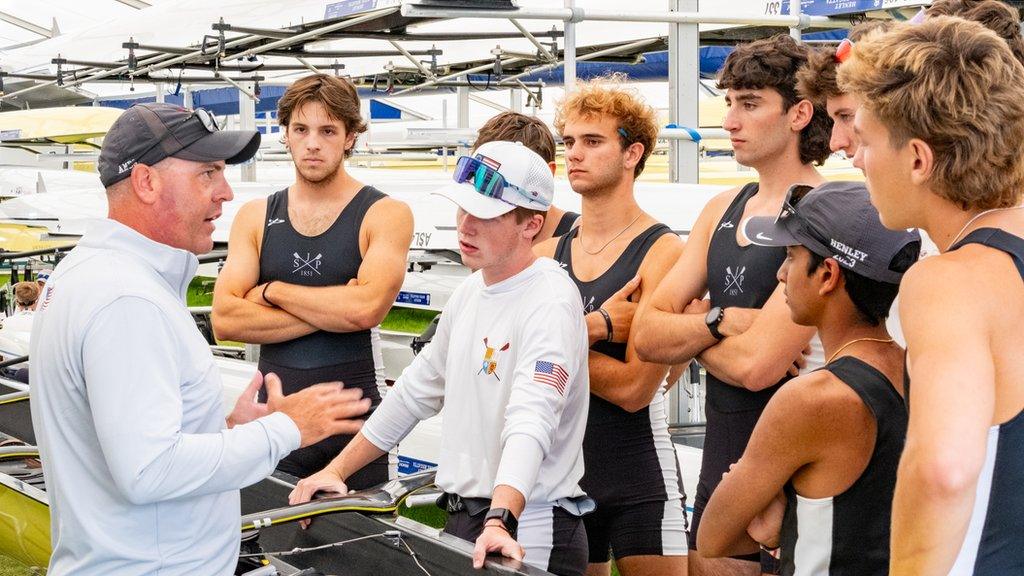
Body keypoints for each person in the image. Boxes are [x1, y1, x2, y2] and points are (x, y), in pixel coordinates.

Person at [29, 102, 372, 576]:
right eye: (208, 173)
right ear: (146, 182)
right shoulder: (128, 300)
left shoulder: (96, 275)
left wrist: (230, 430)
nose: (226, 192)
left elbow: (130, 440)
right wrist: (285, 429)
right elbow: (148, 470)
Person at [290, 141, 592, 576]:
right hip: (470, 521)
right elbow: (414, 393)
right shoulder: (471, 290)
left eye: (485, 216)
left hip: (527, 528)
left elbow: (533, 418)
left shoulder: (550, 300)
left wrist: (501, 518)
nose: (465, 226)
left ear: (532, 225)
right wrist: (335, 471)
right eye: (462, 211)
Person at [633, 33, 833, 576]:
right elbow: (646, 336)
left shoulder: (823, 215)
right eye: (729, 103)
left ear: (800, 114)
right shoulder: (721, 206)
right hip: (724, 448)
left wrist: (696, 325)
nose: (730, 121)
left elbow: (757, 368)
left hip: (792, 461)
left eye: (749, 104)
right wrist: (722, 321)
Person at [838, 16, 1024, 575]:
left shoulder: (952, 280)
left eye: (865, 140)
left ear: (918, 159)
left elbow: (944, 469)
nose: (855, 158)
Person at [696, 182, 920, 575]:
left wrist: (782, 526)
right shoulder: (922, 373)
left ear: (828, 275)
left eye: (791, 256)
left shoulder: (811, 399)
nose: (781, 273)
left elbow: (713, 536)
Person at [212, 74, 413, 483]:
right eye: (300, 130)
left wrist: (272, 291)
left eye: (327, 131)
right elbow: (226, 320)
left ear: (350, 137)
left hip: (353, 429)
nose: (313, 143)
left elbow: (366, 311)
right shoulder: (256, 216)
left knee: (359, 547)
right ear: (285, 134)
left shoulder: (386, 213)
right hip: (274, 421)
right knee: (263, 543)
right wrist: (336, 307)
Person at [534, 77, 688, 576]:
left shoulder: (663, 253)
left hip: (636, 475)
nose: (575, 154)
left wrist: (551, 352)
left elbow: (633, 390)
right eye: (570, 141)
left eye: (593, 141)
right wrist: (595, 328)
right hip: (560, 477)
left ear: (632, 153)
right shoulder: (543, 254)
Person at [474, 111, 579, 241]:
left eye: (510, 175)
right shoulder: (479, 228)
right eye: (479, 174)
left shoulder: (579, 238)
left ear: (548, 172)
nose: (485, 186)